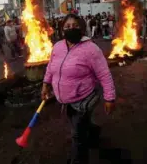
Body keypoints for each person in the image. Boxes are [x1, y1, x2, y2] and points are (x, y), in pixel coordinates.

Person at [41, 14, 116, 164]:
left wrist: (110, 98)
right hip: (65, 99)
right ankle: (94, 133)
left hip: (83, 98)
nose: (71, 29)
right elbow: (51, 67)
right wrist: (45, 84)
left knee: (77, 136)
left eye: (75, 25)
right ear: (62, 29)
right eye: (67, 26)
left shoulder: (91, 49)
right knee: (80, 125)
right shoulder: (58, 46)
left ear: (82, 28)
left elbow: (104, 74)